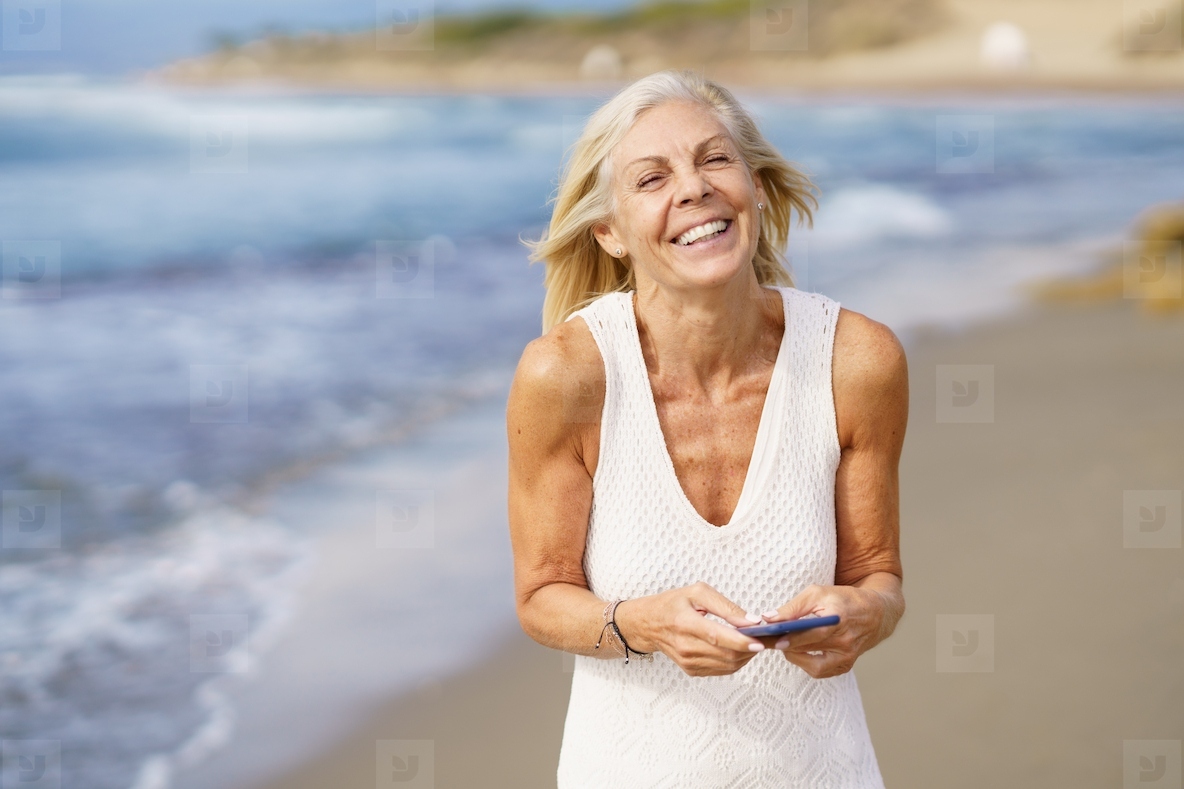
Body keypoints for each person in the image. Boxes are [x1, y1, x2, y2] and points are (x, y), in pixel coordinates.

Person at [506, 70, 907, 787]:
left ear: (753, 185)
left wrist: (864, 613)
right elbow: (541, 597)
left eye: (714, 159)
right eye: (651, 179)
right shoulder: (565, 377)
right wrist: (645, 623)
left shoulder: (858, 361)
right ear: (611, 232)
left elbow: (877, 578)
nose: (693, 188)